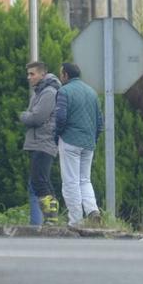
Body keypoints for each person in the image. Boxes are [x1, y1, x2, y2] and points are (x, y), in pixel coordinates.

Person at [55, 62, 103, 226]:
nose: (61, 77)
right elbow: (99, 122)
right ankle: (92, 210)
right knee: (84, 180)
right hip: (88, 143)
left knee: (70, 182)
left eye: (61, 74)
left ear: (66, 75)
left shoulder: (63, 91)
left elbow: (60, 118)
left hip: (70, 141)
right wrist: (93, 140)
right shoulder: (92, 93)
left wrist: (58, 135)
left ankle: (75, 221)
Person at [20, 61, 62, 225]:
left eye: (32, 74)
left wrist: (24, 116)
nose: (29, 77)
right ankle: (50, 218)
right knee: (40, 180)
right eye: (28, 74)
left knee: (40, 181)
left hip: (44, 142)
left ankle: (51, 218)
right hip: (39, 142)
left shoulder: (48, 93)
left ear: (43, 74)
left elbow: (37, 117)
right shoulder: (39, 92)